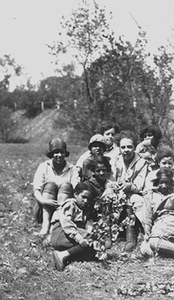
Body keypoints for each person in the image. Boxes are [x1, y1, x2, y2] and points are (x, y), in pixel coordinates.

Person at [33, 138, 78, 236]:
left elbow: (76, 189)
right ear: (51, 154)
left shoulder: (72, 169)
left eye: (62, 152)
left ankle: (55, 226)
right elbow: (36, 189)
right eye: (56, 152)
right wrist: (44, 201)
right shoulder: (44, 166)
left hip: (64, 207)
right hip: (44, 206)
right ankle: (45, 225)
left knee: (66, 185)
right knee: (50, 185)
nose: (59, 155)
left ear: (65, 153)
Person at [114, 130, 148, 251]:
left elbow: (140, 185)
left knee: (134, 200)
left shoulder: (141, 163)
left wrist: (129, 186)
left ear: (134, 147)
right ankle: (108, 233)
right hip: (118, 193)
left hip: (134, 194)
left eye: (129, 147)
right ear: (119, 148)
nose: (126, 150)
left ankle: (131, 234)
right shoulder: (116, 161)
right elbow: (111, 179)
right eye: (123, 147)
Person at [51, 182, 97, 271]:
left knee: (94, 247)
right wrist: (79, 238)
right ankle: (62, 255)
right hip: (61, 233)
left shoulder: (84, 210)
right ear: (75, 194)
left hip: (68, 236)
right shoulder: (70, 204)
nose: (86, 201)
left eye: (88, 199)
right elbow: (66, 224)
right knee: (91, 241)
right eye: (83, 197)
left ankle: (67, 256)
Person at [141, 168, 174, 258]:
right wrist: (147, 232)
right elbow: (147, 218)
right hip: (159, 224)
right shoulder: (150, 195)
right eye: (161, 182)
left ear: (171, 183)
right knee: (145, 248)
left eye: (167, 183)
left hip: (171, 222)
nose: (164, 186)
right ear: (157, 182)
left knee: (153, 243)